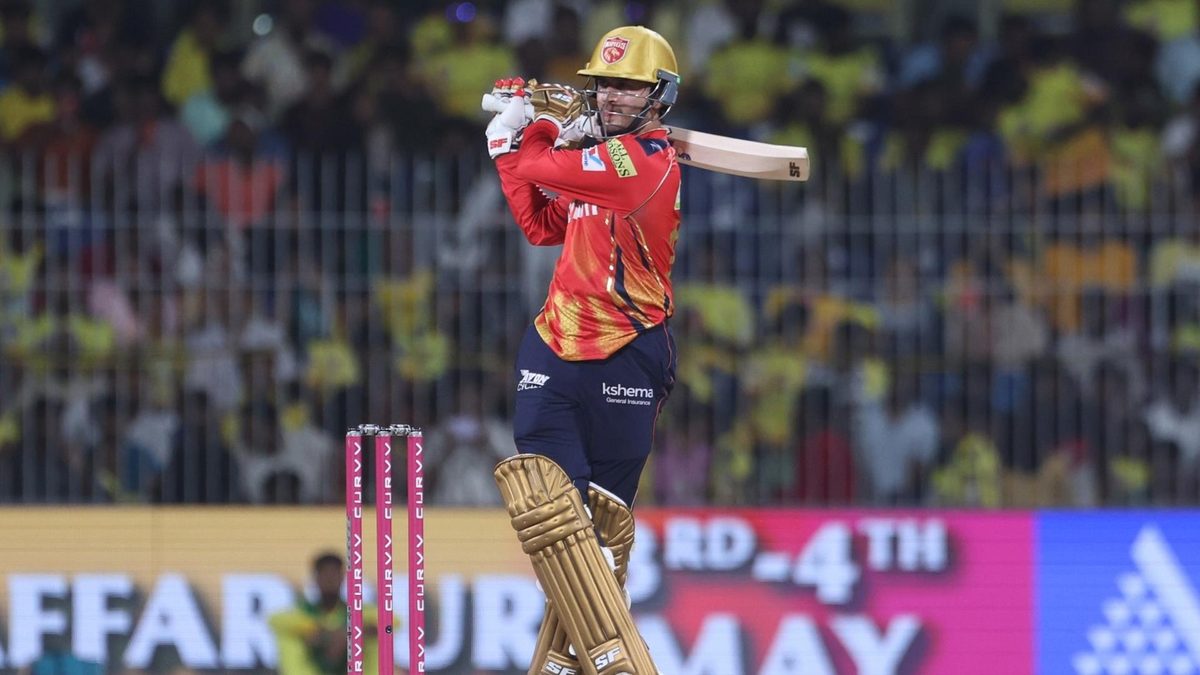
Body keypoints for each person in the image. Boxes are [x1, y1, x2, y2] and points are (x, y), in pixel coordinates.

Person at [485, 25, 682, 674]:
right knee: (551, 512)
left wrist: (536, 129)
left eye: (629, 87)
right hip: (554, 344)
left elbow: (541, 166)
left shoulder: (643, 161)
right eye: (604, 85)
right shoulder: (600, 155)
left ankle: (574, 664)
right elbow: (542, 223)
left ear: (658, 96)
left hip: (628, 348)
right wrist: (506, 146)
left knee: (598, 533)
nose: (612, 97)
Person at [269, 551, 378, 675]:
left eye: (334, 574)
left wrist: (350, 635)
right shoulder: (301, 612)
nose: (330, 579)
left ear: (342, 578)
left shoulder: (360, 611)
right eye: (325, 574)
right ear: (315, 578)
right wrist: (321, 635)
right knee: (289, 637)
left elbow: (389, 624)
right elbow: (274, 620)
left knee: (380, 635)